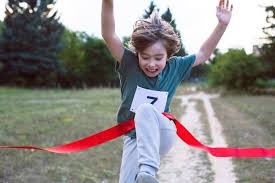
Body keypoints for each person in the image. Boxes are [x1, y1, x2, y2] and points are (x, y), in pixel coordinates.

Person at [101, 0, 233, 182]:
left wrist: (221, 25)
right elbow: (108, 35)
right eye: (145, 57)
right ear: (137, 54)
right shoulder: (129, 64)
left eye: (158, 58)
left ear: (168, 56)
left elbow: (203, 54)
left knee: (146, 109)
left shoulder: (176, 67)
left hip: (163, 132)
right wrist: (108, 2)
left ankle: (147, 173)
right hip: (134, 137)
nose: (151, 64)